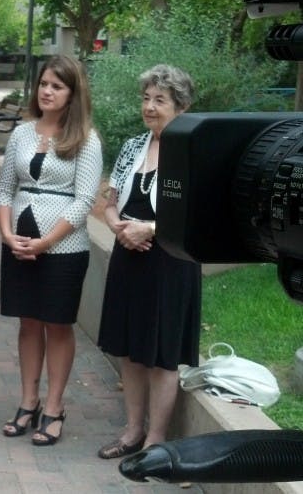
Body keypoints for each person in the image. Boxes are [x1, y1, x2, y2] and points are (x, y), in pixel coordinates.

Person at [0, 54, 102, 446]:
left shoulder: (86, 138)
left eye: (57, 86)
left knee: (57, 324)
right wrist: (7, 234)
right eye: (43, 84)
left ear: (73, 94)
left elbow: (85, 199)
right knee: (27, 323)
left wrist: (46, 241)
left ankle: (54, 406)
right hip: (19, 239)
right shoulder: (22, 134)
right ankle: (28, 401)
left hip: (64, 247)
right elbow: (4, 188)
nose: (47, 91)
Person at [96, 65, 201, 458]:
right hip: (130, 260)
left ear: (182, 106)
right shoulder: (131, 147)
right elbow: (109, 206)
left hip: (171, 263)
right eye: (146, 98)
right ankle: (131, 431)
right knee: (128, 347)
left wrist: (150, 229)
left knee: (163, 352)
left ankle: (156, 441)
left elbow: (197, 213)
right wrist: (119, 227)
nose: (150, 107)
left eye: (160, 100)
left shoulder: (192, 150)